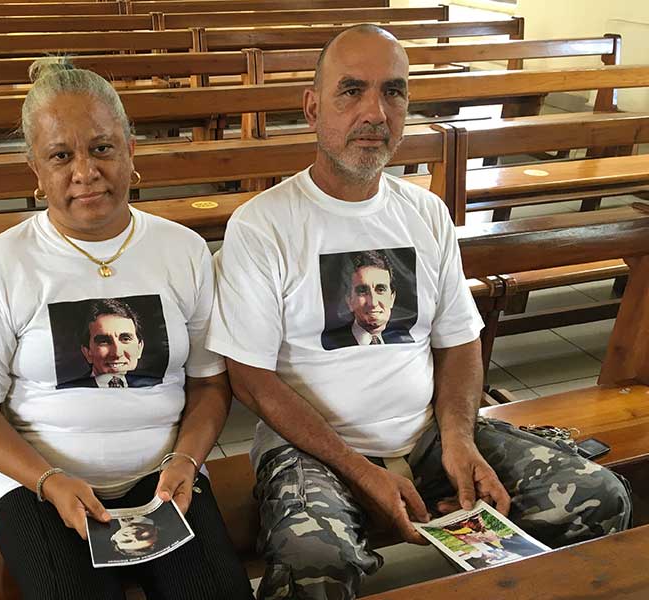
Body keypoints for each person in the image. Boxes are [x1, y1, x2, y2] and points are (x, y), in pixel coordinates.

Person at [206, 24, 632, 600]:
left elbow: (459, 342)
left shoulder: (425, 213)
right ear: (312, 108)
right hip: (314, 450)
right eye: (351, 91)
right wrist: (362, 471)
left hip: (429, 432)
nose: (375, 112)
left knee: (598, 498)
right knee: (313, 565)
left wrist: (459, 438)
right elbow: (251, 379)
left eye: (394, 92)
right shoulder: (263, 226)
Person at [0, 57, 253, 600]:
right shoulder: (0, 268)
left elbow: (207, 383)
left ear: (131, 150)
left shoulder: (183, 252)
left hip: (166, 479)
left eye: (102, 147)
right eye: (61, 155)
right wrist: (47, 479)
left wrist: (186, 459)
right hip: (41, 486)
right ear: (36, 171)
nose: (84, 171)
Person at [58, 298, 161, 389]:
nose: (117, 353)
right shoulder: (68, 391)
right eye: (104, 341)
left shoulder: (157, 387)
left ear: (140, 348)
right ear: (87, 352)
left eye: (125, 339)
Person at [322, 249, 414, 349]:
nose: (373, 303)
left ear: (392, 298)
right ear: (349, 301)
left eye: (380, 289)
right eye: (362, 291)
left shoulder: (406, 341)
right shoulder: (330, 344)